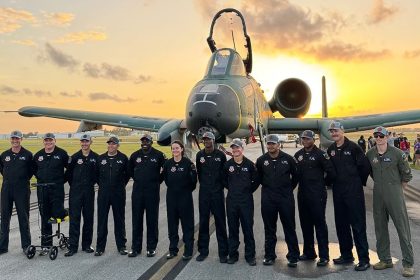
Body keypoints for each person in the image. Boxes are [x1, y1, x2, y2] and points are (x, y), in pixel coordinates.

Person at [366, 126, 415, 277]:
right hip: (378, 195)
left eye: (382, 135)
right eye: (376, 135)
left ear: (387, 137)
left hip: (394, 194)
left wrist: (396, 189)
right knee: (380, 228)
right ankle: (385, 259)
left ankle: (408, 264)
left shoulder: (398, 154)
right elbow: (370, 172)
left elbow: (406, 175)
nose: (379, 138)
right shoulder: (370, 154)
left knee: (402, 228)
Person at [326, 122, 371, 271]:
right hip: (338, 192)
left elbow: (364, 166)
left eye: (336, 130)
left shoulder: (353, 147)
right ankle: (346, 255)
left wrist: (358, 182)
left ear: (343, 131)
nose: (334, 133)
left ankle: (364, 259)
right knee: (341, 225)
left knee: (358, 225)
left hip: (353, 192)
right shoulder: (331, 149)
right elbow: (329, 170)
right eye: (332, 131)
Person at [256, 134, 299, 267]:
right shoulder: (261, 160)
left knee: (289, 227)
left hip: (285, 198)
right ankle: (269, 256)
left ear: (278, 144)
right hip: (268, 199)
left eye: (273, 144)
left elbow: (295, 177)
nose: (270, 146)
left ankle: (293, 256)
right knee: (269, 228)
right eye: (268, 144)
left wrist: (287, 189)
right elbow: (258, 178)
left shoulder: (288, 159)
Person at [294, 130, 335, 267]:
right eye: (303, 139)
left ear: (313, 139)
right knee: (305, 225)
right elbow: (295, 175)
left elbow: (330, 172)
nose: (305, 141)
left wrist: (323, 184)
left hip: (317, 195)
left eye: (307, 139)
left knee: (320, 225)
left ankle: (324, 256)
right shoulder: (298, 155)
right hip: (303, 195)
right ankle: (309, 252)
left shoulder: (321, 155)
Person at [128, 134, 166, 258]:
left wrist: (156, 181)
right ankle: (136, 248)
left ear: (151, 142)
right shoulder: (134, 155)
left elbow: (164, 171)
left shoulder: (159, 155)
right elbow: (130, 172)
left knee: (152, 221)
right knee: (137, 221)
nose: (145, 143)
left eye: (147, 141)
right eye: (143, 141)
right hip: (138, 192)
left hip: (152, 192)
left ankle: (151, 248)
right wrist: (139, 180)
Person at [223, 139, 259, 266]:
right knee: (233, 229)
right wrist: (233, 189)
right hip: (232, 201)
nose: (235, 150)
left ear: (242, 149)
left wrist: (247, 191)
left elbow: (256, 181)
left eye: (237, 148)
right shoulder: (228, 165)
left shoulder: (250, 165)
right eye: (233, 148)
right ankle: (233, 254)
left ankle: (250, 256)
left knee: (248, 228)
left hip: (246, 202)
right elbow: (224, 181)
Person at [33, 133, 69, 255]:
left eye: (50, 140)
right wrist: (41, 180)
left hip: (56, 189)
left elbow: (70, 169)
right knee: (45, 216)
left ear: (54, 141)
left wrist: (61, 180)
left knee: (57, 213)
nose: (48, 142)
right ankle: (46, 244)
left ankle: (65, 212)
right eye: (46, 140)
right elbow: (33, 170)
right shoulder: (38, 155)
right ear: (43, 141)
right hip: (42, 189)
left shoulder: (62, 153)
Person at [195, 132, 229, 263]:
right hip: (204, 193)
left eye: (208, 139)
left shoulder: (220, 155)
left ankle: (223, 253)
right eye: (204, 139)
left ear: (213, 140)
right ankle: (203, 251)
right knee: (203, 222)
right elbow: (199, 172)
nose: (206, 141)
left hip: (217, 193)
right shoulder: (200, 155)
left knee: (220, 222)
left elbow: (224, 173)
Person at [95, 136, 130, 256]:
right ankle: (100, 247)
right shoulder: (100, 158)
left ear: (117, 145)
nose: (111, 146)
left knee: (119, 220)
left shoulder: (123, 158)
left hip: (118, 193)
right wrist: (104, 186)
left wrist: (119, 186)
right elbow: (96, 176)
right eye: (109, 144)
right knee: (102, 220)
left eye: (113, 144)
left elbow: (127, 175)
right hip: (103, 193)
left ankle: (121, 246)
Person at [64, 134, 98, 256]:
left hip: (89, 192)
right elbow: (68, 175)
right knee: (74, 219)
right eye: (82, 142)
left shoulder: (95, 158)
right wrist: (76, 185)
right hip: (75, 192)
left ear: (90, 142)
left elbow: (97, 175)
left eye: (86, 141)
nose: (84, 144)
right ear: (80, 143)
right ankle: (73, 247)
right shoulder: (74, 157)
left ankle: (86, 245)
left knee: (88, 219)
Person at [162, 140, 197, 260]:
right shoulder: (168, 164)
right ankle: (173, 250)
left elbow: (193, 182)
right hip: (171, 198)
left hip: (185, 198)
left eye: (177, 148)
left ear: (182, 149)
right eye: (173, 148)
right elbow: (166, 179)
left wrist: (184, 191)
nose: (175, 150)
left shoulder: (188, 164)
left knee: (187, 225)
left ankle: (188, 250)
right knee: (172, 225)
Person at [0, 131, 33, 255]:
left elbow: (31, 171)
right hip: (7, 189)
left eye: (17, 138)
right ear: (10, 140)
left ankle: (26, 245)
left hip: (22, 189)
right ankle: (2, 246)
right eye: (13, 138)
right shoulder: (4, 155)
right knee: (4, 217)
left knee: (23, 217)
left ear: (21, 139)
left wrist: (21, 180)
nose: (15, 141)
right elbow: (2, 170)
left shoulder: (28, 155)